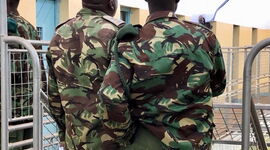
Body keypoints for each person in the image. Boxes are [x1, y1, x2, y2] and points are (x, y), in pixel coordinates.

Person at [98, 0, 226, 149]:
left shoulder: (131, 43)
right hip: (197, 142)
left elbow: (111, 97)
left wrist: (124, 136)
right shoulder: (204, 37)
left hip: (149, 143)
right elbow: (218, 86)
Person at [46, 0, 124, 149]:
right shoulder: (118, 33)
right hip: (111, 142)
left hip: (73, 139)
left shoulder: (59, 34)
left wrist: (64, 133)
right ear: (111, 3)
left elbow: (54, 96)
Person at [6, 0, 40, 149]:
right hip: (31, 107)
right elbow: (41, 69)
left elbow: (11, 70)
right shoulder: (30, 28)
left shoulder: (6, 28)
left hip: (11, 109)